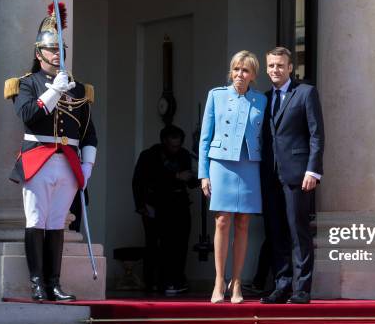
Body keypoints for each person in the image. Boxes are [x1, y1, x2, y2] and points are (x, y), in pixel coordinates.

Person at [4, 3, 97, 301]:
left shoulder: (78, 89)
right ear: (38, 53)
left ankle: (54, 283)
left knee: (57, 223)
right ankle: (36, 283)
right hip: (38, 158)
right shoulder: (26, 84)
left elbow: (88, 133)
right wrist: (54, 91)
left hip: (69, 162)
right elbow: (29, 115)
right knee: (36, 221)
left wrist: (88, 167)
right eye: (51, 49)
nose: (57, 54)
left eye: (61, 50)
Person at [198, 50, 267, 304]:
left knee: (243, 223)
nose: (240, 75)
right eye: (236, 69)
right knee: (222, 222)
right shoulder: (216, 96)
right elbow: (204, 137)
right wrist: (203, 174)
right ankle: (218, 280)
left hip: (249, 165)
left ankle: (236, 281)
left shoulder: (262, 101)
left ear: (253, 75)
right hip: (221, 165)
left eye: (245, 70)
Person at [260, 47, 325, 305]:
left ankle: (302, 289)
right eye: (271, 66)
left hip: (298, 174)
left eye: (279, 65)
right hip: (270, 175)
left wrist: (313, 169)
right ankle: (282, 284)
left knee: (298, 232)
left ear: (290, 68)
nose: (275, 70)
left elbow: (317, 134)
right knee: (275, 232)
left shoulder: (305, 92)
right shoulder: (264, 99)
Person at [132, 124, 197, 294]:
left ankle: (176, 281)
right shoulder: (149, 155)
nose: (176, 149)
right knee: (156, 245)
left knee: (180, 244)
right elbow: (140, 180)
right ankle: (153, 282)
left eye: (178, 145)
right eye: (172, 145)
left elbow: (190, 181)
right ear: (163, 142)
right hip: (155, 205)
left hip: (179, 204)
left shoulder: (184, 155)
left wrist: (196, 177)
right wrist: (140, 206)